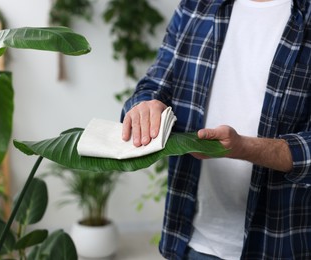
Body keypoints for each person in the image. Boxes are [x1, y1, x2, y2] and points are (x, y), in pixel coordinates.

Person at [121, 0, 311, 259]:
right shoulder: (196, 5)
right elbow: (155, 83)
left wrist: (245, 147)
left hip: (283, 242)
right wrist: (145, 105)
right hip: (193, 239)